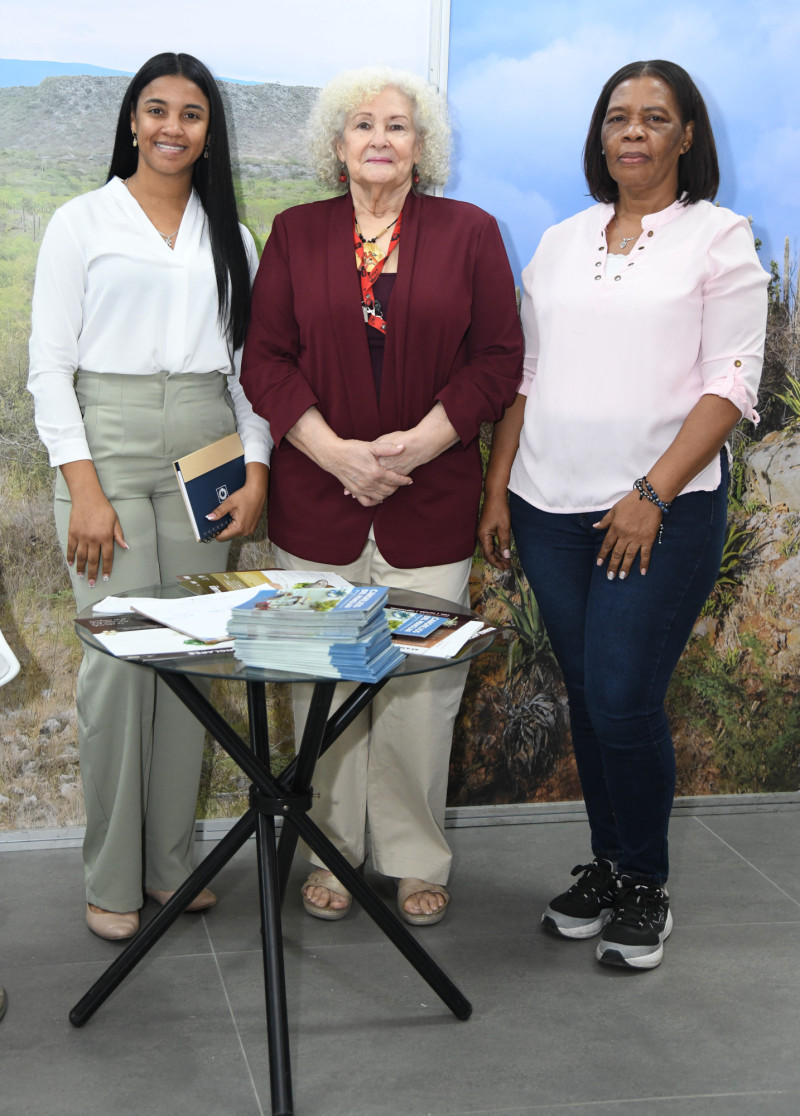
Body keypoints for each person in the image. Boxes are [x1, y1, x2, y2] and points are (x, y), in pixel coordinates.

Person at [478, 60, 768, 969]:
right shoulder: (560, 242)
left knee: (623, 696)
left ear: (688, 137)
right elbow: (525, 377)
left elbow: (732, 383)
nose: (633, 132)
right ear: (599, 137)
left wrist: (650, 494)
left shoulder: (720, 238)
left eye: (654, 118)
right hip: (547, 506)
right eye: (617, 118)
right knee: (590, 699)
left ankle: (645, 883)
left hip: (659, 513)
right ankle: (606, 865)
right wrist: (497, 489)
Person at [241, 66, 522, 925]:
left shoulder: (472, 233)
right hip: (316, 502)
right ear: (337, 147)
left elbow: (498, 360)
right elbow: (266, 362)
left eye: (397, 126)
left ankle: (411, 855)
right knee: (320, 684)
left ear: (420, 147)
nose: (379, 139)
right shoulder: (294, 234)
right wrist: (335, 456)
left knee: (419, 690)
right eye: (362, 125)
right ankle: (333, 849)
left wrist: (422, 443)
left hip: (429, 501)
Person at [28, 53, 272, 941]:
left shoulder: (234, 238)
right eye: (157, 110)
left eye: (192, 114)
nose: (173, 127)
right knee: (121, 665)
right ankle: (112, 877)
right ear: (132, 120)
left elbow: (252, 377)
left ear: (211, 132)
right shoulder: (81, 221)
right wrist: (83, 490)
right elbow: (48, 371)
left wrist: (256, 471)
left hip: (206, 443)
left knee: (195, 659)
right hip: (110, 442)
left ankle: (172, 864)